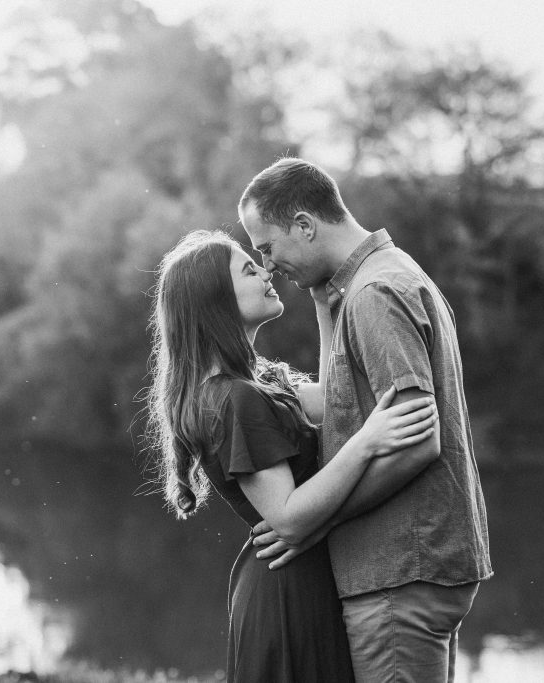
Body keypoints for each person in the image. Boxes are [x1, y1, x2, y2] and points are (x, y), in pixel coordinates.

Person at [238, 157, 493, 683]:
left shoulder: (374, 294)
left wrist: (318, 522)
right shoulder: (379, 277)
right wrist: (321, 305)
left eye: (266, 247)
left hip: (399, 566)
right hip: (410, 566)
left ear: (304, 225)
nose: (268, 265)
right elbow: (342, 403)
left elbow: (416, 441)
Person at [146, 230, 439, 682]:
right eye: (249, 269)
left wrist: (323, 306)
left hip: (304, 580)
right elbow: (287, 517)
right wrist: (366, 443)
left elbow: (336, 400)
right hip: (288, 595)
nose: (266, 272)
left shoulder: (256, 382)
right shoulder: (234, 399)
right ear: (216, 300)